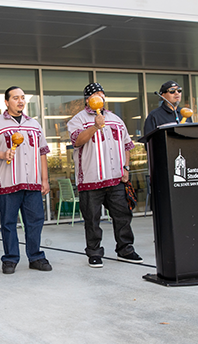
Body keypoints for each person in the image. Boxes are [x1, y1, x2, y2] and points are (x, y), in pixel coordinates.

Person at [67, 83, 143, 268]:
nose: (99, 97)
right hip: (90, 180)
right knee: (92, 220)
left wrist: (125, 168)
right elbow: (77, 141)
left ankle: (125, 249)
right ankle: (94, 253)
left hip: (116, 178)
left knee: (123, 215)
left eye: (102, 94)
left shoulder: (116, 119)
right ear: (87, 99)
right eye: (95, 95)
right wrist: (94, 127)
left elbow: (127, 146)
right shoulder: (78, 120)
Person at [0, 86, 52, 275]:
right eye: (15, 98)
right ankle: (10, 258)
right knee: (8, 222)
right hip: (7, 182)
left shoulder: (34, 124)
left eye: (22, 98)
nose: (20, 101)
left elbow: (43, 152)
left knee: (35, 221)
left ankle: (35, 256)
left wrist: (45, 179)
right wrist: (3, 154)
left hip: (33, 181)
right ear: (6, 102)